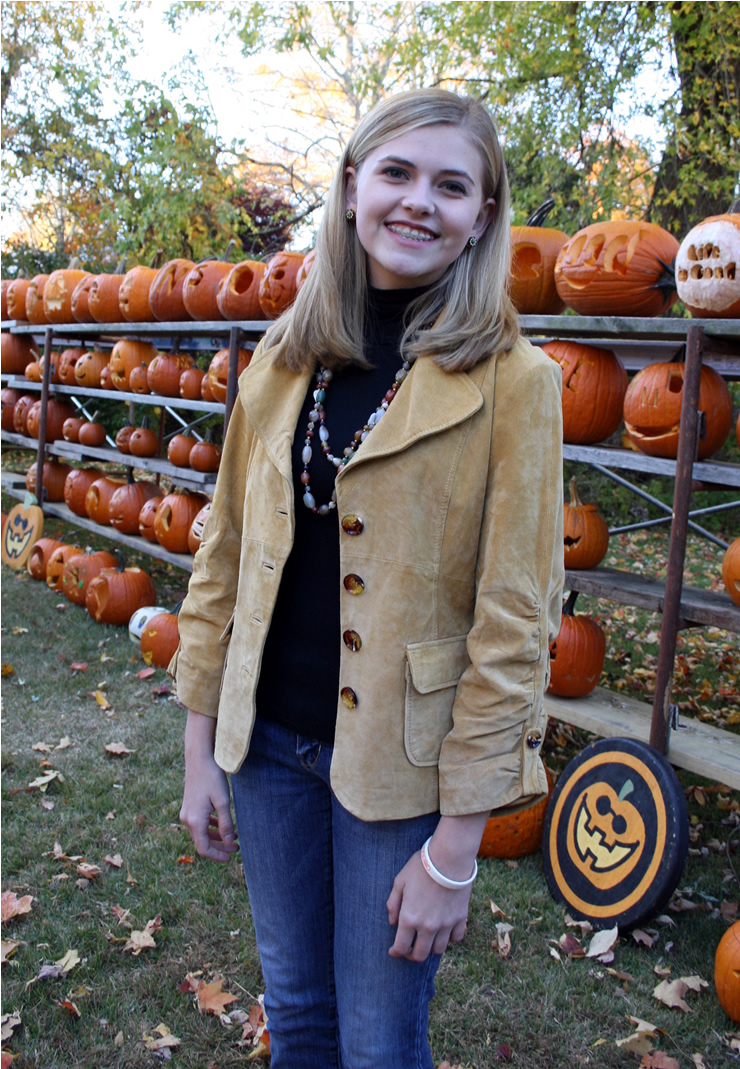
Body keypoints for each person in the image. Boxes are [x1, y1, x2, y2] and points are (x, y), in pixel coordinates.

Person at [173, 87, 564, 1069]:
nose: (417, 202)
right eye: (395, 172)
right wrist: (198, 744)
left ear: (482, 215)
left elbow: (514, 622)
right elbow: (221, 557)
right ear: (351, 189)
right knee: (297, 1011)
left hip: (401, 775)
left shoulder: (515, 382)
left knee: (378, 1041)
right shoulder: (279, 359)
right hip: (264, 748)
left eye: (450, 184)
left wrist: (455, 848)